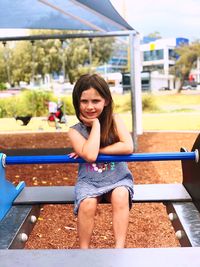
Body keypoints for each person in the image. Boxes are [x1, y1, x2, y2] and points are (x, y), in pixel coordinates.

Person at [68, 73, 134, 249]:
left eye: (95, 101)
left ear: (105, 101)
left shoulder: (114, 120)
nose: (89, 107)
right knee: (87, 203)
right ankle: (84, 250)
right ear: (77, 103)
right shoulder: (75, 131)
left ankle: (119, 249)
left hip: (117, 178)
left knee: (121, 195)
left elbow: (128, 146)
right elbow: (89, 157)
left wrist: (97, 150)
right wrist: (96, 125)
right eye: (84, 101)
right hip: (89, 180)